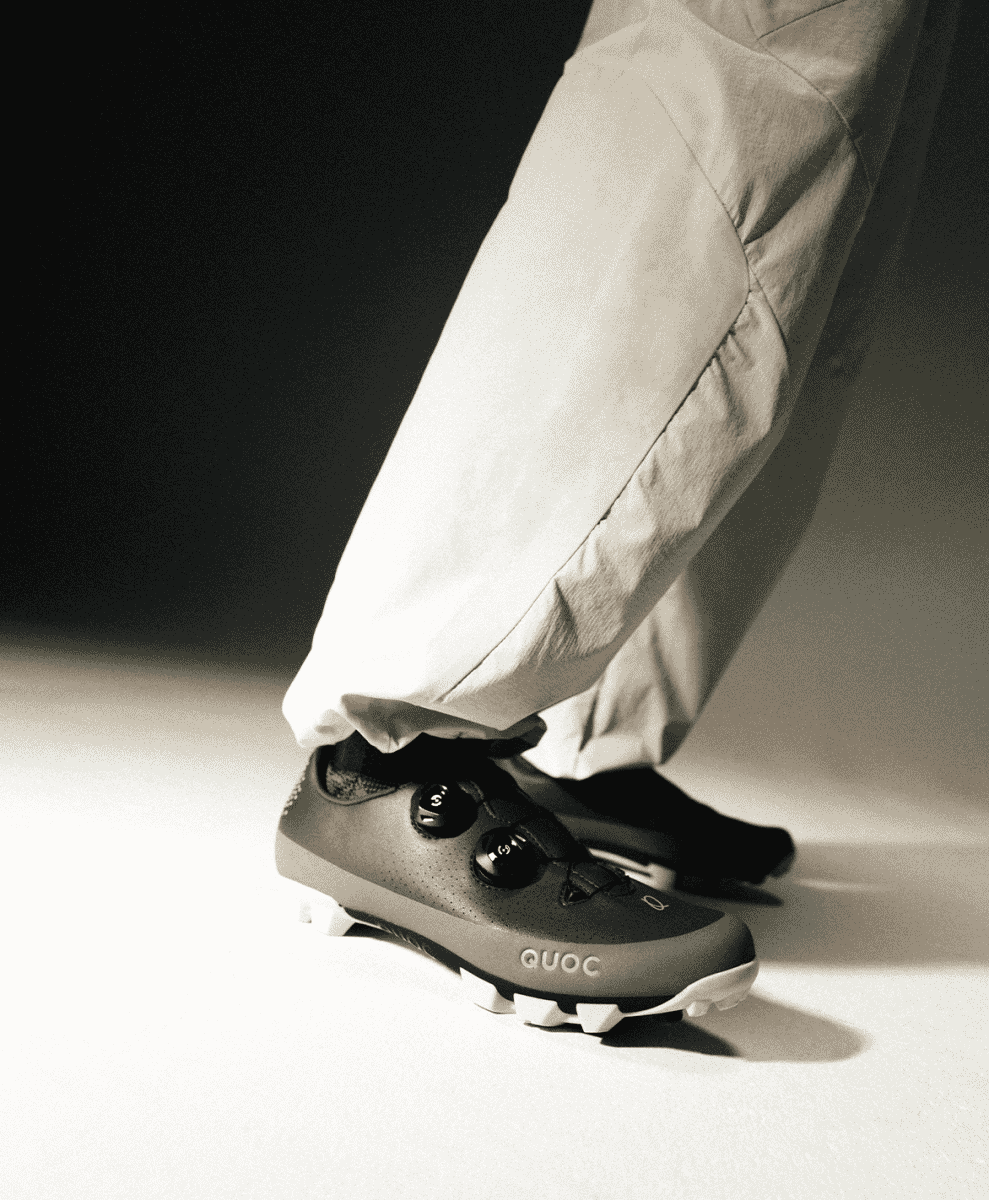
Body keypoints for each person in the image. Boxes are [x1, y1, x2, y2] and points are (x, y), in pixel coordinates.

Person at [275, 0, 959, 1033]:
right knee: (745, 75)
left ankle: (582, 743)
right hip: (396, 747)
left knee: (840, 161)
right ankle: (396, 754)